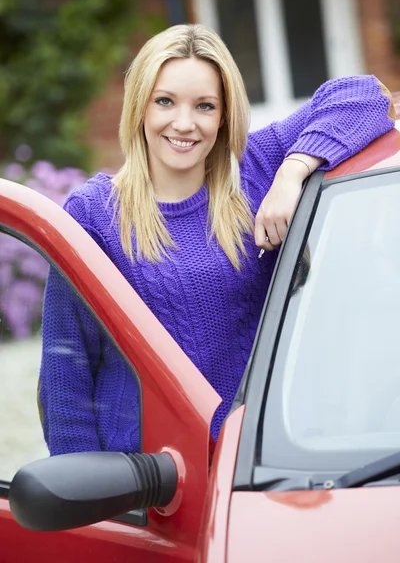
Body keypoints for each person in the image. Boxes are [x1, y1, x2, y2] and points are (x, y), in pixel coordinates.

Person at [38, 23, 396, 456]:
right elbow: (66, 372)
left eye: (204, 106)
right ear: (140, 107)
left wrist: (293, 170)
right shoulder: (93, 213)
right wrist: (90, 500)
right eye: (165, 101)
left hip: (254, 466)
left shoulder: (258, 168)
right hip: (147, 481)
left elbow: (366, 96)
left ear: (224, 115)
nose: (184, 124)